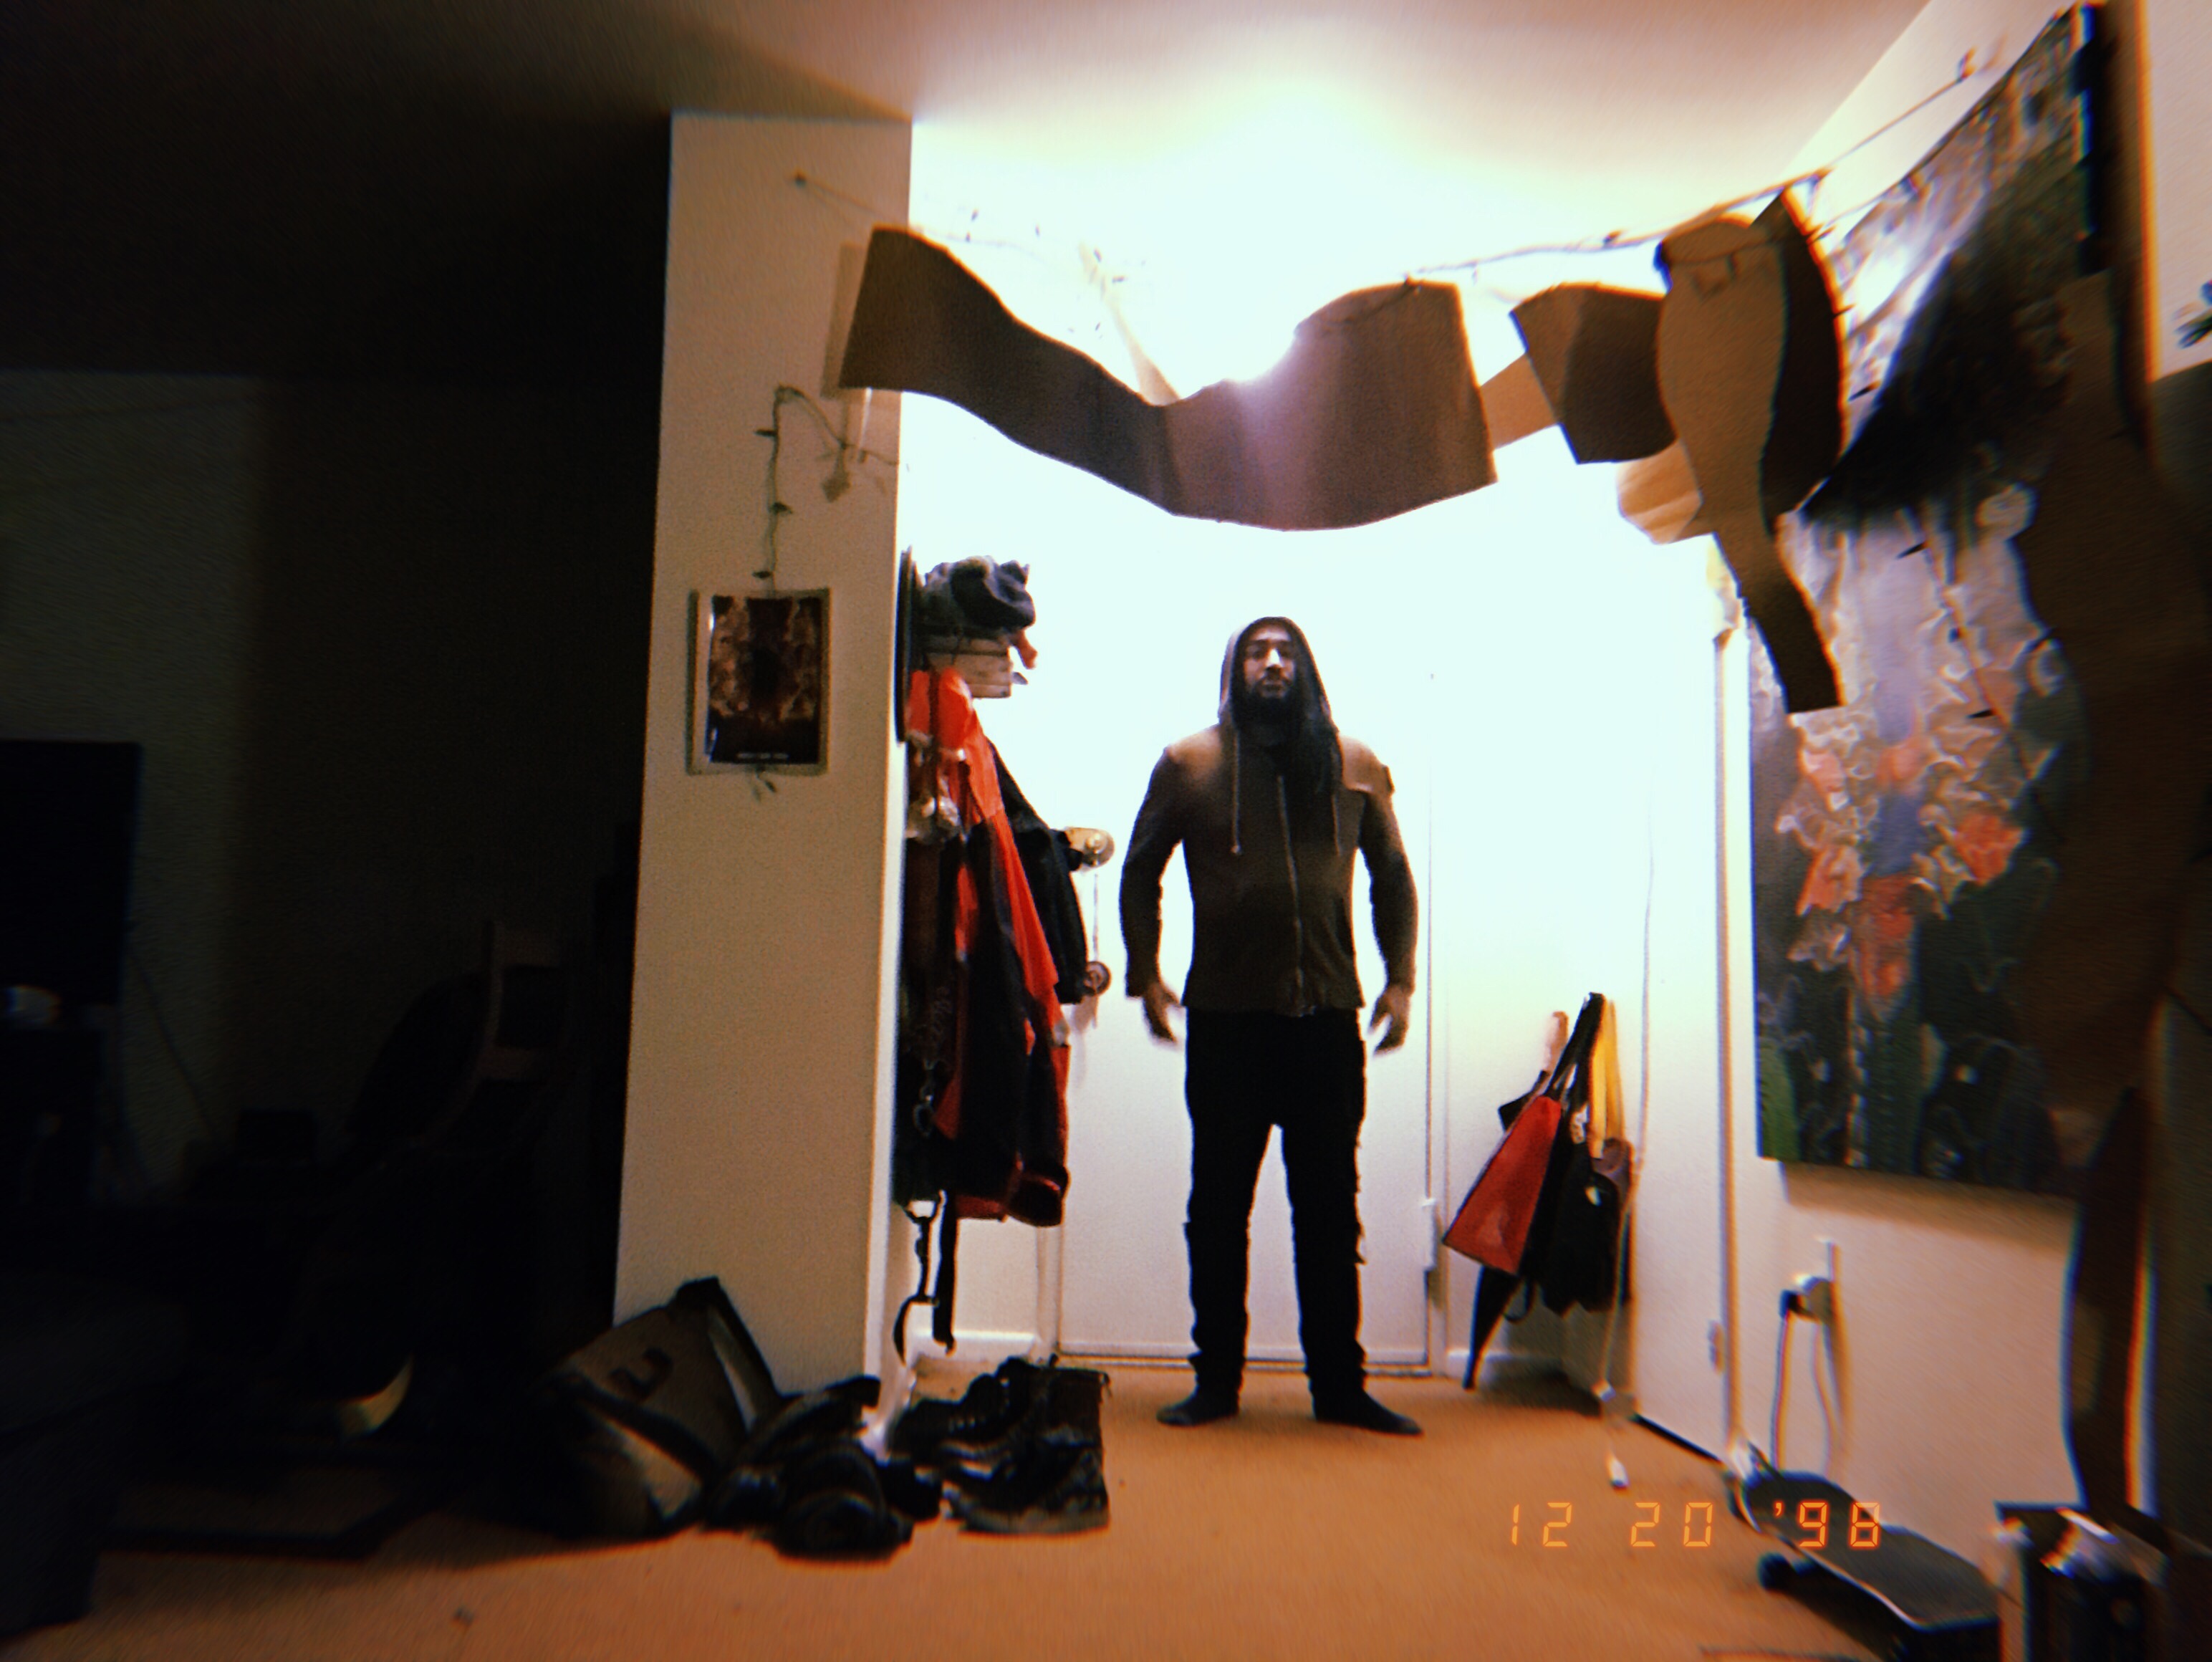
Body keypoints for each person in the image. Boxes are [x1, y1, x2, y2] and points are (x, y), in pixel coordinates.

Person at [1120, 618, 1421, 1435]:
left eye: (1286, 650)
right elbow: (1140, 869)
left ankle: (1340, 1386)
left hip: (1325, 1024)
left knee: (1328, 1214)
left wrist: (1399, 982)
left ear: (1307, 667)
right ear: (1236, 670)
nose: (1274, 662)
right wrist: (1145, 972)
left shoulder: (1355, 765)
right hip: (1228, 1025)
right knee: (1218, 1212)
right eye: (1258, 651)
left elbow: (1392, 876)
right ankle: (1215, 1381)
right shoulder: (1190, 764)